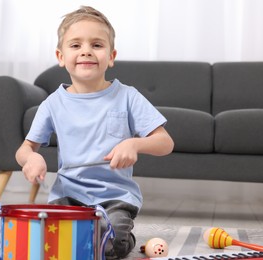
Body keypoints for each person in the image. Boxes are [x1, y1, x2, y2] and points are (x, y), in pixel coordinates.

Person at [15, 6, 174, 259]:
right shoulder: (52, 104)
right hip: (68, 197)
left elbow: (165, 142)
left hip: (115, 199)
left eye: (96, 45)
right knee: (47, 244)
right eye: (75, 45)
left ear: (111, 56)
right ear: (60, 56)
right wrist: (31, 158)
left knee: (110, 247)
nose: (86, 50)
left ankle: (124, 237)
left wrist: (135, 144)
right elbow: (25, 149)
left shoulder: (128, 96)